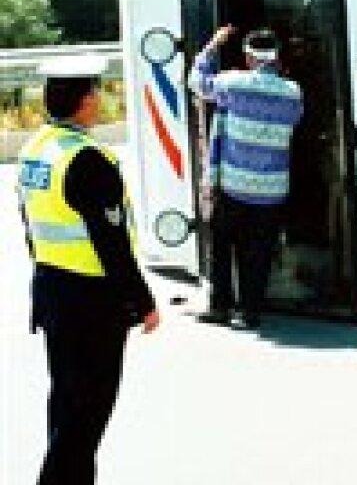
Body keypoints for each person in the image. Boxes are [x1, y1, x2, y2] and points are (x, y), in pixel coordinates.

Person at [15, 55, 161, 485]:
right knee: (85, 418)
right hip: (91, 303)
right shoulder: (88, 160)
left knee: (66, 408)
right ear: (85, 101)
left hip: (53, 290)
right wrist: (143, 302)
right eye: (95, 92)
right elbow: (111, 245)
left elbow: (30, 225)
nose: (99, 99)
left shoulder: (37, 149)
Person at [189, 26, 303, 329]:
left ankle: (220, 307)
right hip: (273, 190)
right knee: (260, 252)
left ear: (249, 57)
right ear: (276, 58)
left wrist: (212, 45)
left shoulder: (233, 83)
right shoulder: (293, 92)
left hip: (235, 187)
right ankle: (250, 311)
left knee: (222, 247)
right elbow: (295, 118)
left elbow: (197, 82)